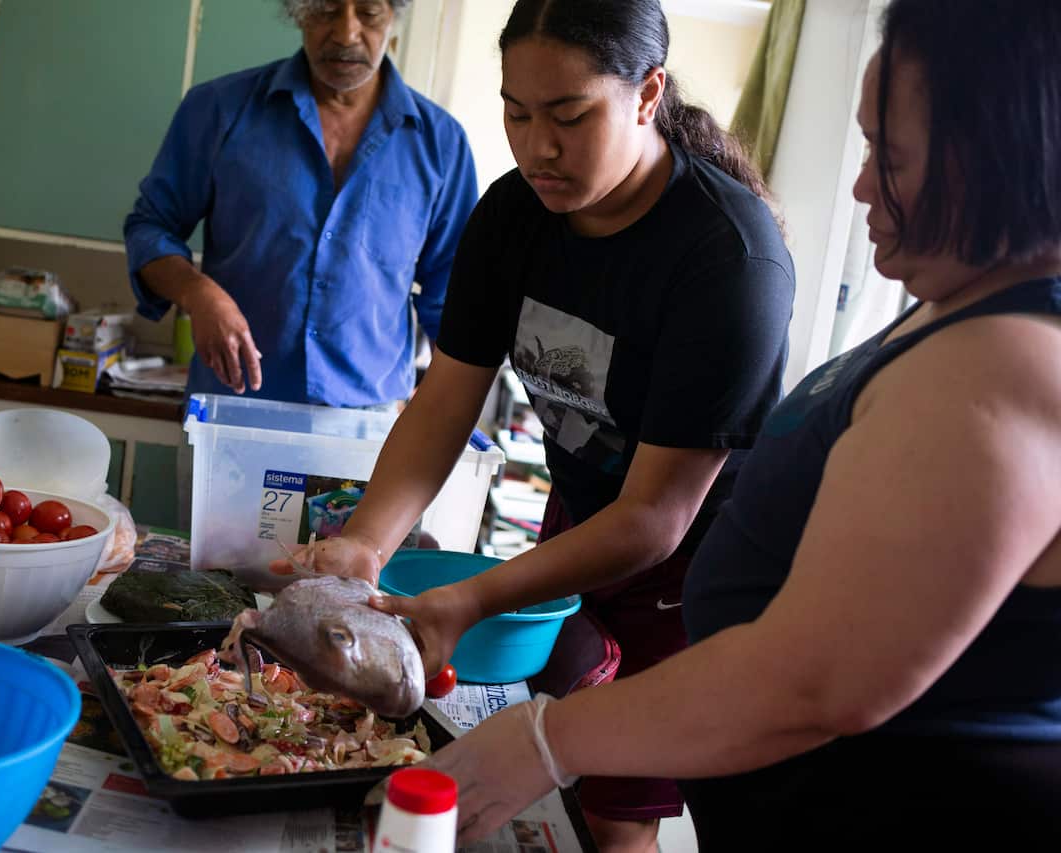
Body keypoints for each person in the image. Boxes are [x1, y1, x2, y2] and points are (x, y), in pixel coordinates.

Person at [382, 0, 1061, 848]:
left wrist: (548, 740)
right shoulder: (963, 309)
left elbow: (816, 678)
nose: (857, 186)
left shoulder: (1005, 361)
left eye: (888, 157)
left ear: (995, 158)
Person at [272, 0, 795, 848]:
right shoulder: (513, 214)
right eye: (517, 112)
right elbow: (445, 400)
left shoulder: (727, 259)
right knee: (545, 774)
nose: (537, 146)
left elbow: (657, 517)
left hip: (703, 569)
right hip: (585, 530)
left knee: (619, 815)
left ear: (646, 93)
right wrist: (363, 545)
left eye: (569, 116)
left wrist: (470, 599)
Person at [123, 0, 477, 408]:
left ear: (395, 18)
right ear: (298, 13)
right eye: (325, 9)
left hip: (367, 425)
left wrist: (446, 415)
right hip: (232, 412)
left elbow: (454, 297)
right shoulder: (218, 110)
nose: (346, 33)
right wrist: (197, 293)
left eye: (369, 12)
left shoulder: (442, 144)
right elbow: (150, 226)